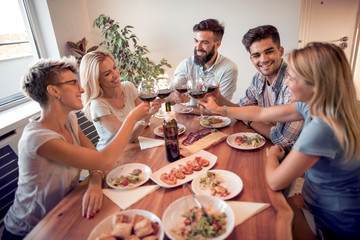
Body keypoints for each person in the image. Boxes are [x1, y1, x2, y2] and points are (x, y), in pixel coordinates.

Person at [199, 42, 360, 239]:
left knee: (260, 221)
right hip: (319, 202)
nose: (286, 82)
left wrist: (272, 155)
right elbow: (260, 112)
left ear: (315, 83)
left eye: (291, 77)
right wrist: (219, 109)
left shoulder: (323, 128)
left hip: (334, 225)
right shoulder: (316, 106)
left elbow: (275, 181)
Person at [2, 56, 150, 239]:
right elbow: (105, 160)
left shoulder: (70, 119)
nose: (81, 89)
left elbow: (95, 159)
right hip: (31, 230)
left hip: (66, 208)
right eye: (73, 83)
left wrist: (95, 183)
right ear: (53, 90)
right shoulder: (38, 138)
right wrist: (131, 119)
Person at [211, 25, 303, 152]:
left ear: (281, 51)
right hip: (268, 147)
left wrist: (250, 121)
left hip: (295, 161)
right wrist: (220, 99)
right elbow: (242, 109)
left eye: (269, 51)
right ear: (251, 58)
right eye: (256, 55)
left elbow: (283, 141)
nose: (263, 59)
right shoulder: (259, 78)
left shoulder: (293, 82)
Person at [80, 51, 162, 150]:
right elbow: (127, 138)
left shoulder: (128, 87)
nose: (115, 74)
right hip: (113, 155)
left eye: (114, 67)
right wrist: (146, 117)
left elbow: (142, 124)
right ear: (96, 80)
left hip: (133, 146)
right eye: (107, 74)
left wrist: (155, 107)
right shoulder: (98, 104)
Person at [169, 18, 238, 111]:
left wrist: (187, 109)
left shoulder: (228, 68)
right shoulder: (186, 64)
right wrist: (174, 97)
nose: (198, 47)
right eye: (196, 41)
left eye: (204, 42)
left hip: (215, 124)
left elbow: (221, 109)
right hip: (186, 123)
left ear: (217, 44)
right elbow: (166, 99)